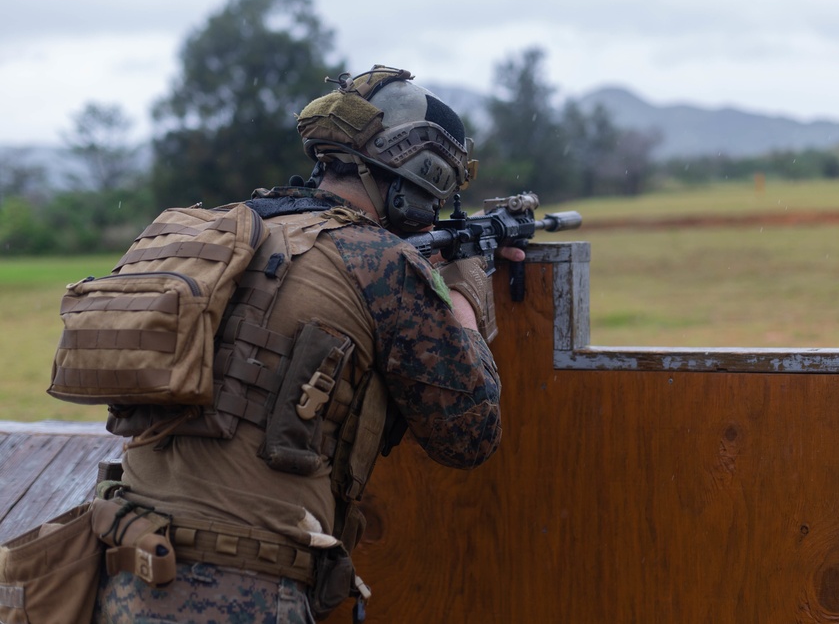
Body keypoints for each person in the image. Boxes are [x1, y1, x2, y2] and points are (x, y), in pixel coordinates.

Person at [93, 66, 523, 623]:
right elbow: (470, 434)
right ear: (420, 172)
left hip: (124, 567)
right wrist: (461, 294)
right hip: (242, 588)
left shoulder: (224, 232)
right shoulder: (381, 262)